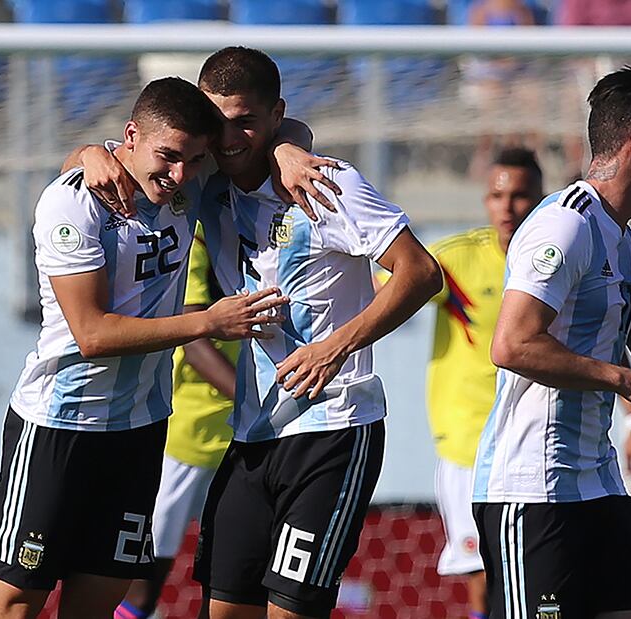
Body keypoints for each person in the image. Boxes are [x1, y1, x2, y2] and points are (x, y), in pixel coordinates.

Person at [0, 77, 289, 619]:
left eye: (193, 159)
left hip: (139, 430)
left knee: (99, 601)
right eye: (167, 156)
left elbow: (258, 135)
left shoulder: (187, 183)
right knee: (14, 604)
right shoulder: (75, 202)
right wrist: (205, 322)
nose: (180, 174)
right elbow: (92, 334)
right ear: (131, 136)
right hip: (60, 426)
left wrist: (290, 149)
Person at [190, 47, 443, 619]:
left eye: (246, 121)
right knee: (225, 611)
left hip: (332, 429)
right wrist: (88, 153)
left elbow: (421, 273)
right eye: (218, 120)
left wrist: (335, 346)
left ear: (275, 112)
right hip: (254, 431)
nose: (229, 137)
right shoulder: (204, 182)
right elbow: (130, 154)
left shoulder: (328, 184)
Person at [474, 67, 631, 619]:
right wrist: (622, 379)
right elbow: (511, 345)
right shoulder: (565, 225)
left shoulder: (627, 242)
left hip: (600, 488)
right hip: (533, 493)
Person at [411, 148, 631, 619]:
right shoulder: (457, 259)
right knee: (483, 581)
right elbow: (392, 286)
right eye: (496, 195)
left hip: (569, 458)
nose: (507, 207)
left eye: (520, 195)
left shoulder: (571, 243)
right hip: (475, 452)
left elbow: (601, 336)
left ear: (539, 198)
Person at [116, 224, 239, 619]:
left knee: (233, 584)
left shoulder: (263, 221)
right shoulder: (199, 232)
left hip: (243, 443)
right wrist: (250, 398)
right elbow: (191, 333)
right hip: (186, 438)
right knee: (141, 585)